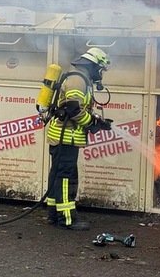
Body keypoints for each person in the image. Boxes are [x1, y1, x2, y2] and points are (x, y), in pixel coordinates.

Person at [45, 47, 113, 231]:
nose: (100, 74)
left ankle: (54, 215)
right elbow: (73, 109)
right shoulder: (78, 80)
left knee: (58, 176)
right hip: (66, 137)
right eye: (100, 70)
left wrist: (96, 121)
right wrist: (91, 123)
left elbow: (77, 108)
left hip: (65, 137)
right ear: (93, 66)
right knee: (66, 178)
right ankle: (67, 219)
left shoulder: (80, 78)